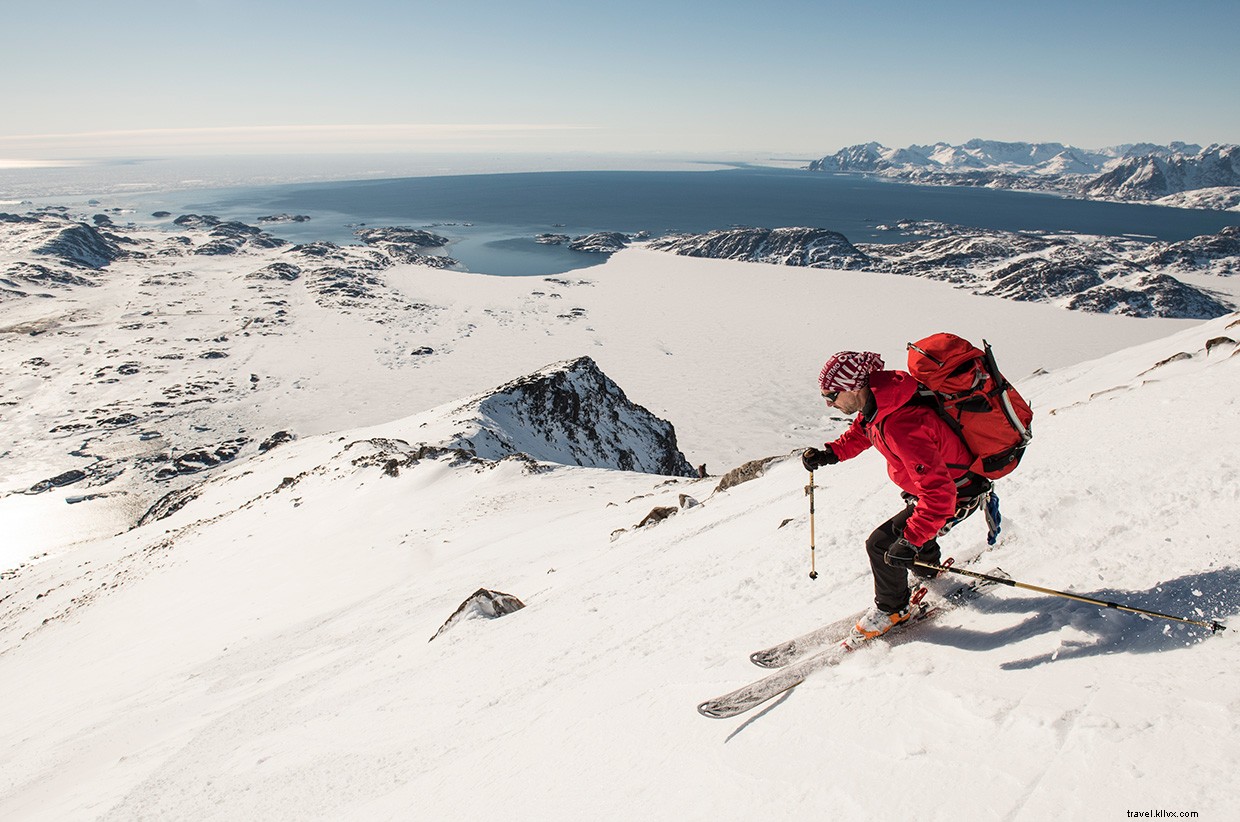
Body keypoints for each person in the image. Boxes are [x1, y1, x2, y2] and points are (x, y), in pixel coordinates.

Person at [802, 350, 992, 639]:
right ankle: (928, 570)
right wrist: (831, 454)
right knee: (913, 526)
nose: (829, 403)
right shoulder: (881, 403)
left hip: (958, 493)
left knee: (881, 545)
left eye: (832, 395)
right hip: (935, 490)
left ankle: (893, 609)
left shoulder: (901, 424)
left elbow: (940, 493)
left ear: (853, 386)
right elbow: (863, 432)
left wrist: (911, 540)